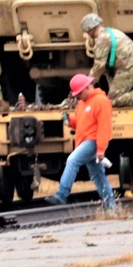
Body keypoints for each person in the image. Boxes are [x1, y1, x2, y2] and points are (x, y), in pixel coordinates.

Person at [46, 74, 118, 212]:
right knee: (98, 177)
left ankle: (61, 195)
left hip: (93, 142)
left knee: (72, 160)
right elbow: (80, 123)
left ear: (87, 87)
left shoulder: (101, 101)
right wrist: (68, 120)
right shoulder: (82, 104)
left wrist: (101, 148)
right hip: (87, 142)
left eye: (79, 93)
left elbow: (104, 126)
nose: (77, 96)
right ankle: (112, 208)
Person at [81, 13, 133, 107]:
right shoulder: (112, 31)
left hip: (129, 68)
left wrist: (88, 82)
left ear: (90, 29)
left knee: (112, 100)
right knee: (118, 95)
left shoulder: (102, 40)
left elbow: (99, 66)